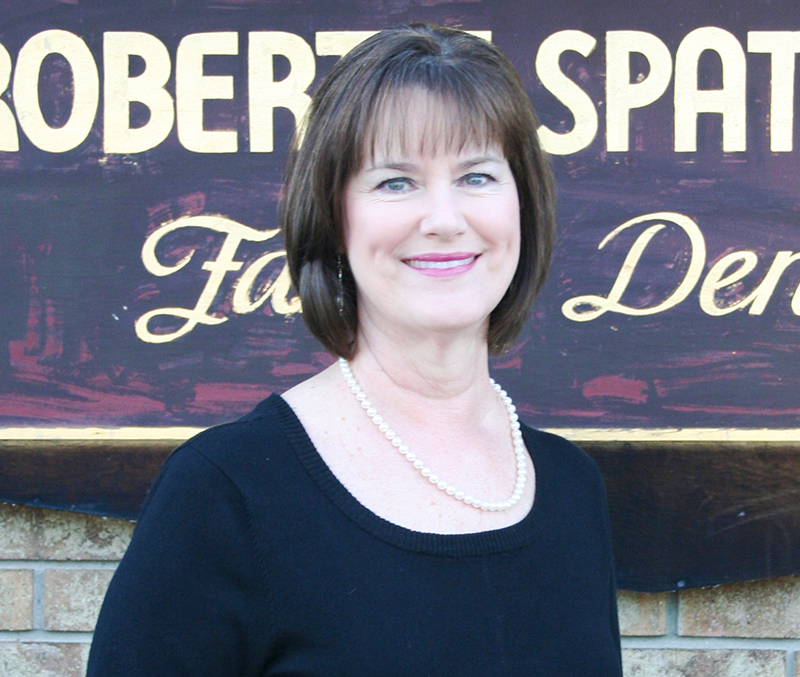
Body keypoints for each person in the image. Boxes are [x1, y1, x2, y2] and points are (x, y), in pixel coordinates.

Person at [88, 24, 622, 676]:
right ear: (335, 217)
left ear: (523, 206)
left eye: (477, 175)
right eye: (396, 182)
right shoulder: (226, 493)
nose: (445, 218)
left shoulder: (571, 490)